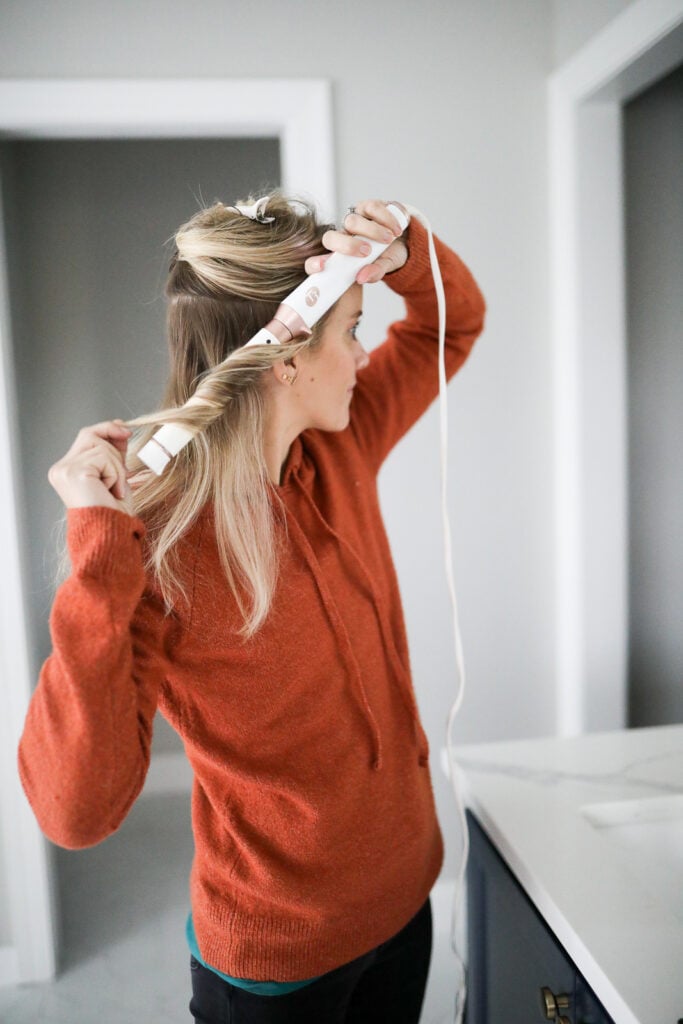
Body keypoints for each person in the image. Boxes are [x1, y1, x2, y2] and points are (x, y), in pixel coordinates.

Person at [17, 193, 486, 1024]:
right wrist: (97, 559)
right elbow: (74, 813)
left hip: (405, 899)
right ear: (287, 359)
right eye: (350, 328)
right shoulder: (157, 546)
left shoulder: (339, 444)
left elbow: (447, 325)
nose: (361, 350)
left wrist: (410, 256)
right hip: (277, 964)